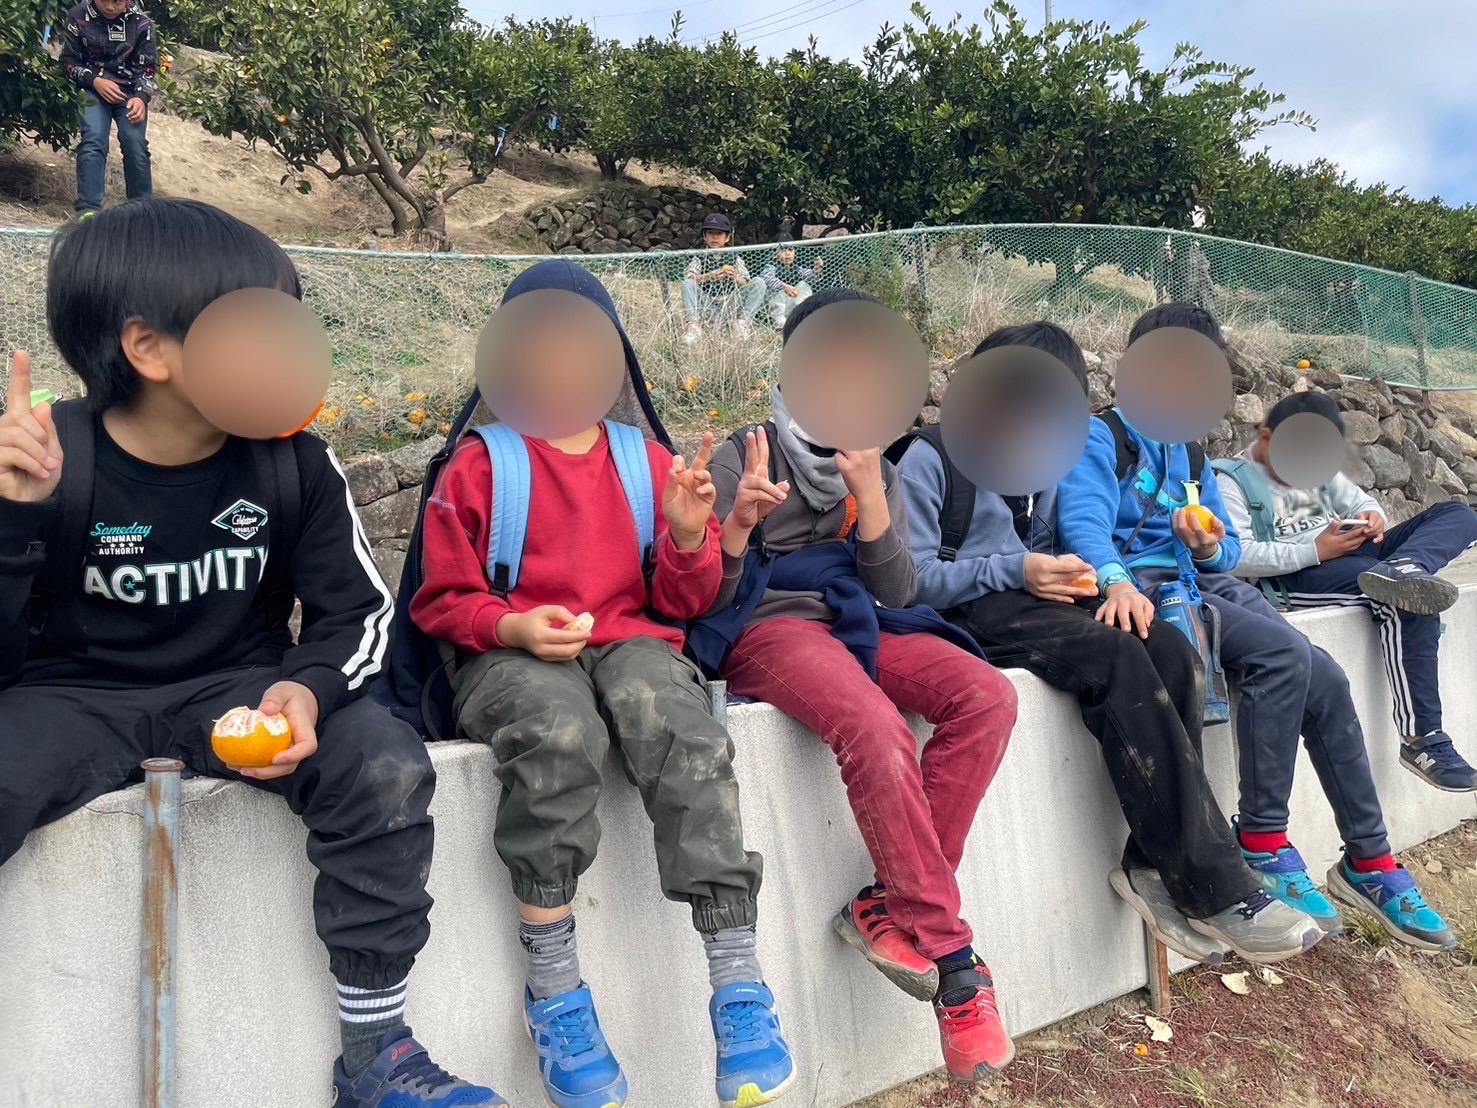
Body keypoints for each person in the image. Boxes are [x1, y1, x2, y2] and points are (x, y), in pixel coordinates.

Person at [0, 200, 504, 1107]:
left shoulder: (293, 464)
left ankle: (377, 1053)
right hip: (69, 694)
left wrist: (307, 691)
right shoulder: (49, 461)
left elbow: (359, 616)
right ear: (150, 349)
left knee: (383, 761)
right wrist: (12, 522)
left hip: (240, 688)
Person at [410, 259, 793, 1108]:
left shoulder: (646, 461)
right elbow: (439, 601)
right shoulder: (478, 466)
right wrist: (510, 626)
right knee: (558, 734)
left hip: (629, 641)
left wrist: (690, 536)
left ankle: (737, 982)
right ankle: (555, 992)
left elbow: (681, 605)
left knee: (680, 727)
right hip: (507, 653)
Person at [898, 321, 1321, 966]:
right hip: (964, 611)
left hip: (1031, 600)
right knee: (1117, 657)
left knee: (1166, 645)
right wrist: (1017, 570)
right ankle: (1217, 886)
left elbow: (1048, 549)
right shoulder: (929, 458)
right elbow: (908, 581)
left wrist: (1081, 580)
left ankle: (1150, 865)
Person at [692, 288, 1021, 1085]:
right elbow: (701, 594)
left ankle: (890, 904)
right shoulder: (745, 452)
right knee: (872, 725)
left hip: (859, 620)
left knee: (986, 695)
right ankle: (954, 964)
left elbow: (897, 590)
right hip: (768, 628)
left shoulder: (879, 460)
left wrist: (871, 500)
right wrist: (737, 525)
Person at [1056, 302, 1456, 953]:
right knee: (1281, 656)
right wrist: (1114, 580)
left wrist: (1208, 541)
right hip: (1142, 590)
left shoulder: (1189, 453)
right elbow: (1082, 521)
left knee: (1325, 676)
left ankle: (1370, 860)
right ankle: (1263, 843)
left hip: (1198, 583)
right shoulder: (1102, 438)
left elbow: (1225, 553)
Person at [1216, 391, 1477, 793]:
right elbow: (1233, 556)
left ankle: (1405, 566)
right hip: (1295, 576)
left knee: (1458, 515)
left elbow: (1362, 502)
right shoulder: (1230, 482)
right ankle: (1422, 740)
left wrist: (1374, 518)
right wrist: (1315, 550)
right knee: (1406, 598)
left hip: (1355, 556)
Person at [59, 0, 157, 218]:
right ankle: (88, 210)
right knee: (93, 140)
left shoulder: (142, 23)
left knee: (135, 144)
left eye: (117, 1)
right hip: (93, 89)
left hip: (130, 93)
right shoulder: (78, 16)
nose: (111, 7)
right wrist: (94, 81)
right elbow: (68, 61)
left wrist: (141, 97)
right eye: (105, 0)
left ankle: (142, 212)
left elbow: (148, 69)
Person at [682, 214, 767, 343]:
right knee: (687, 284)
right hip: (708, 305)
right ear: (705, 237)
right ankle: (694, 327)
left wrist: (735, 277)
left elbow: (746, 282)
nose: (715, 237)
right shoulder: (699, 257)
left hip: (731, 305)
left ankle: (742, 324)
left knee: (759, 282)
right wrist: (709, 277)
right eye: (711, 233)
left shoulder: (734, 257)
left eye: (719, 234)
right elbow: (690, 279)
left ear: (727, 238)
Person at [754, 234, 822, 330]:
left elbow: (810, 276)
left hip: (789, 305)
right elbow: (766, 277)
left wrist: (816, 270)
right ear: (774, 254)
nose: (787, 254)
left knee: (803, 285)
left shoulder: (796, 268)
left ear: (795, 253)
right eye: (783, 250)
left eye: (790, 250)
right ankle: (779, 323)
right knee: (776, 289)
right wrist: (783, 286)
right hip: (773, 308)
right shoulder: (771, 266)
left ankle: (802, 315)